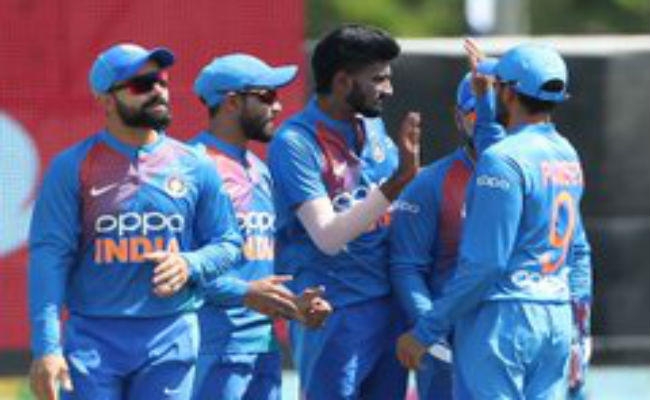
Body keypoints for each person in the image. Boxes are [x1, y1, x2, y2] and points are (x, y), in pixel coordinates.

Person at [28, 43, 243, 400]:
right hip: (93, 340)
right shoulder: (72, 167)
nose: (158, 91)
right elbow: (49, 258)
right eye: (141, 85)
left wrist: (190, 263)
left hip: (171, 334)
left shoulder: (196, 165)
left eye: (161, 81)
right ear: (106, 100)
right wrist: (47, 348)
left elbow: (229, 242)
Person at [396, 42, 592, 400]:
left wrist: (425, 331)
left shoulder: (501, 160)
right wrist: (580, 330)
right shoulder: (566, 153)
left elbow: (486, 264)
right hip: (554, 317)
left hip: (503, 320)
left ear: (510, 93)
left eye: (497, 84)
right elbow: (579, 251)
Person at [267, 24, 421, 399]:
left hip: (388, 306)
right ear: (341, 81)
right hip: (333, 310)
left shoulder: (373, 125)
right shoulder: (295, 142)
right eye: (378, 79)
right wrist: (399, 181)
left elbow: (394, 206)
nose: (389, 89)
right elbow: (328, 237)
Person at [189, 53, 331, 400]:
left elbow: (259, 266)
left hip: (263, 345)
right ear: (232, 102)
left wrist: (293, 305)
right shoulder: (190, 166)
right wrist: (245, 292)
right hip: (211, 346)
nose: (278, 106)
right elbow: (177, 268)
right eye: (266, 96)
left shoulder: (259, 168)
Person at [389, 72, 478, 400]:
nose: (487, 121)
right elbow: (406, 267)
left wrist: (576, 331)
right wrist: (432, 334)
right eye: (476, 113)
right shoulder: (430, 184)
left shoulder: (537, 174)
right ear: (458, 117)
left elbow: (572, 253)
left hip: (518, 339)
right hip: (449, 345)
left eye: (497, 111)